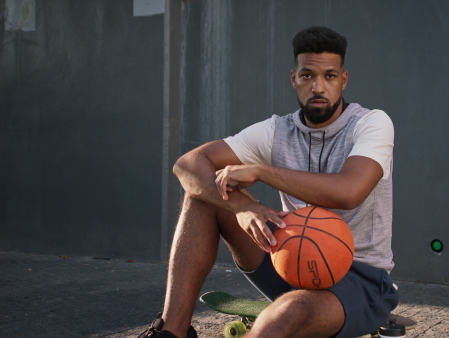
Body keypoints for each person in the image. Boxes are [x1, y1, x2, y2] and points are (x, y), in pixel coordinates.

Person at [139, 26, 399, 338]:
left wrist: (261, 171)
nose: (318, 87)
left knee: (283, 317)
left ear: (343, 80)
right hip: (291, 258)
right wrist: (241, 206)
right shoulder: (279, 130)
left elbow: (348, 192)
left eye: (329, 76)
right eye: (307, 76)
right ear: (294, 79)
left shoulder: (371, 124)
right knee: (202, 194)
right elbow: (187, 165)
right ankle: (172, 331)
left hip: (359, 279)